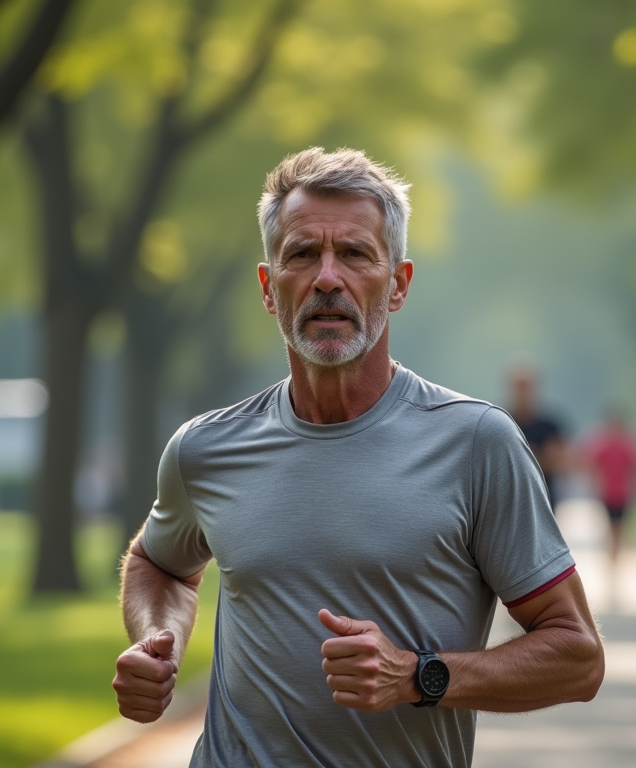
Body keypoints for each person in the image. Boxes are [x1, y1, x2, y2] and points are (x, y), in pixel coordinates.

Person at [112, 147, 604, 767]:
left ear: (397, 284)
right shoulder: (206, 447)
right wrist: (159, 641)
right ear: (270, 288)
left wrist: (418, 676)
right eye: (300, 254)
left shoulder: (477, 443)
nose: (325, 278)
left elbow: (578, 657)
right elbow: (160, 565)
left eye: (354, 253)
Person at [581, 406, 636, 573]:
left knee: (619, 530)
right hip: (607, 494)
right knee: (610, 529)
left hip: (623, 494)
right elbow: (592, 466)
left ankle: (615, 562)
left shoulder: (627, 447)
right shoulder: (603, 446)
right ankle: (612, 561)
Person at [507, 365, 568, 507]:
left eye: (526, 387)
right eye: (519, 387)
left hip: (544, 497)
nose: (522, 392)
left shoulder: (550, 426)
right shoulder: (503, 422)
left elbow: (559, 462)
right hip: (511, 499)